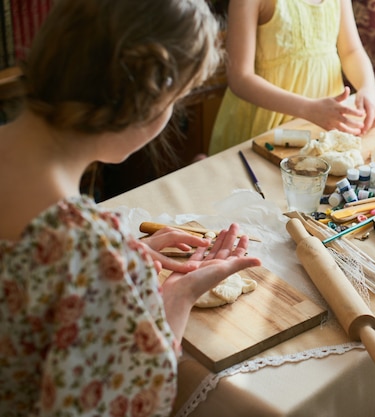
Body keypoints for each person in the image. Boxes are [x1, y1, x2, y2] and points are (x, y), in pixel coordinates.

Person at [0, 0, 261, 415]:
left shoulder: (89, 249)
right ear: (146, 100)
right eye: (177, 99)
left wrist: (118, 260)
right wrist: (178, 299)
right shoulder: (87, 252)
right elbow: (127, 401)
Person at [208, 0, 375, 155]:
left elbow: (351, 52)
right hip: (266, 130)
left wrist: (367, 87)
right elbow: (240, 78)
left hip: (325, 125)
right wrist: (308, 109)